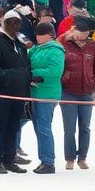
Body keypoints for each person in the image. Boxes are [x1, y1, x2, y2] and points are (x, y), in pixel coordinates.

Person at [0, 10, 31, 174]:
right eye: (13, 22)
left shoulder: (18, 44)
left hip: (18, 91)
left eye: (18, 23)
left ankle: (9, 159)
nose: (16, 26)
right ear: (6, 23)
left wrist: (28, 78)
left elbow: (25, 64)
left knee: (13, 126)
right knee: (0, 125)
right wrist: (7, 78)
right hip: (3, 91)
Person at [59, 16, 95, 170]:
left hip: (87, 92)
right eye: (78, 33)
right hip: (68, 91)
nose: (81, 37)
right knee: (69, 128)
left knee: (85, 126)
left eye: (84, 35)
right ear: (73, 30)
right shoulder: (64, 41)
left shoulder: (92, 45)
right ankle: (69, 157)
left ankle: (82, 157)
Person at [27, 21, 64, 174]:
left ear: (49, 35)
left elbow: (55, 71)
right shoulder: (36, 49)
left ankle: (48, 161)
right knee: (39, 128)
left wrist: (32, 74)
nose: (37, 37)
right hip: (35, 94)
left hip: (47, 94)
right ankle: (45, 159)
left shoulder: (55, 50)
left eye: (40, 35)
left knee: (43, 128)